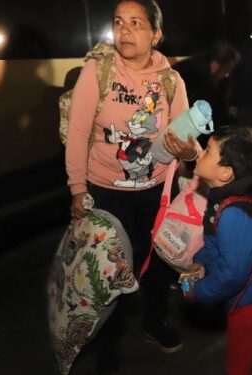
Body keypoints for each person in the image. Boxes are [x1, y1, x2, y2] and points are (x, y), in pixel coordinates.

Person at [65, 0, 196, 360]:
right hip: (105, 193)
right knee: (105, 270)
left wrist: (185, 150)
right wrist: (78, 189)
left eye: (136, 23)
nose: (125, 30)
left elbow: (186, 141)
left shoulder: (171, 80)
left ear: (156, 34)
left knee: (155, 263)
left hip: (156, 192)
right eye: (119, 22)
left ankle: (154, 321)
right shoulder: (97, 72)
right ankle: (105, 339)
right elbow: (77, 133)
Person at [183, 126, 252, 375]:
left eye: (209, 151)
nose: (200, 153)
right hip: (245, 296)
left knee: (238, 365)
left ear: (225, 172)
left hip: (250, 302)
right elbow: (215, 244)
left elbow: (234, 273)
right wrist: (201, 260)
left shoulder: (235, 213)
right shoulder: (223, 195)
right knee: (247, 355)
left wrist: (198, 291)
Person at [172, 40, 240, 130]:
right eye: (226, 70)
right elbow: (212, 112)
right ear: (214, 66)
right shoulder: (194, 78)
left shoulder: (213, 78)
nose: (227, 74)